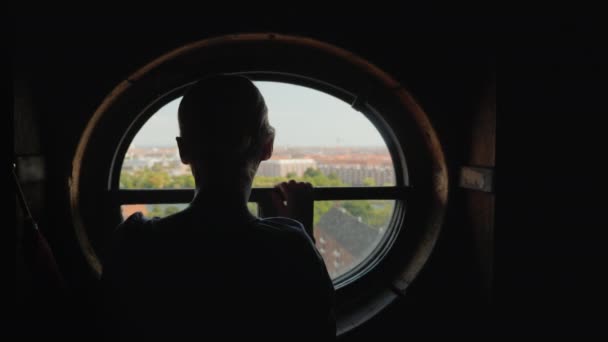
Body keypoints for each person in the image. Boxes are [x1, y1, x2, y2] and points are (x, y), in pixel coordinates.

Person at [100, 74, 335, 339]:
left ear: (183, 150)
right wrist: (302, 229)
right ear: (267, 147)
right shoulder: (293, 249)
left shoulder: (134, 242)